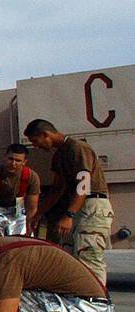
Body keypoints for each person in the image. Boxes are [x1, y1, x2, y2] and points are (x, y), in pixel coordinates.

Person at [25, 119, 113, 284]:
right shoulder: (59, 155)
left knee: (89, 256)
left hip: (91, 206)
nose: (35, 146)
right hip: (77, 207)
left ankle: (97, 302)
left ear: (46, 134)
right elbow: (58, 188)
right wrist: (39, 213)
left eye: (35, 141)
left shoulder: (77, 148)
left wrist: (69, 215)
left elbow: (83, 186)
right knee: (72, 256)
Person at [0, 143, 39, 237]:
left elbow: (32, 208)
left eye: (18, 161)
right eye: (10, 159)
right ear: (5, 157)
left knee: (21, 242)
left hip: (17, 207)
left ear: (24, 162)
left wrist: (29, 231)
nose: (13, 164)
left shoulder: (31, 177)